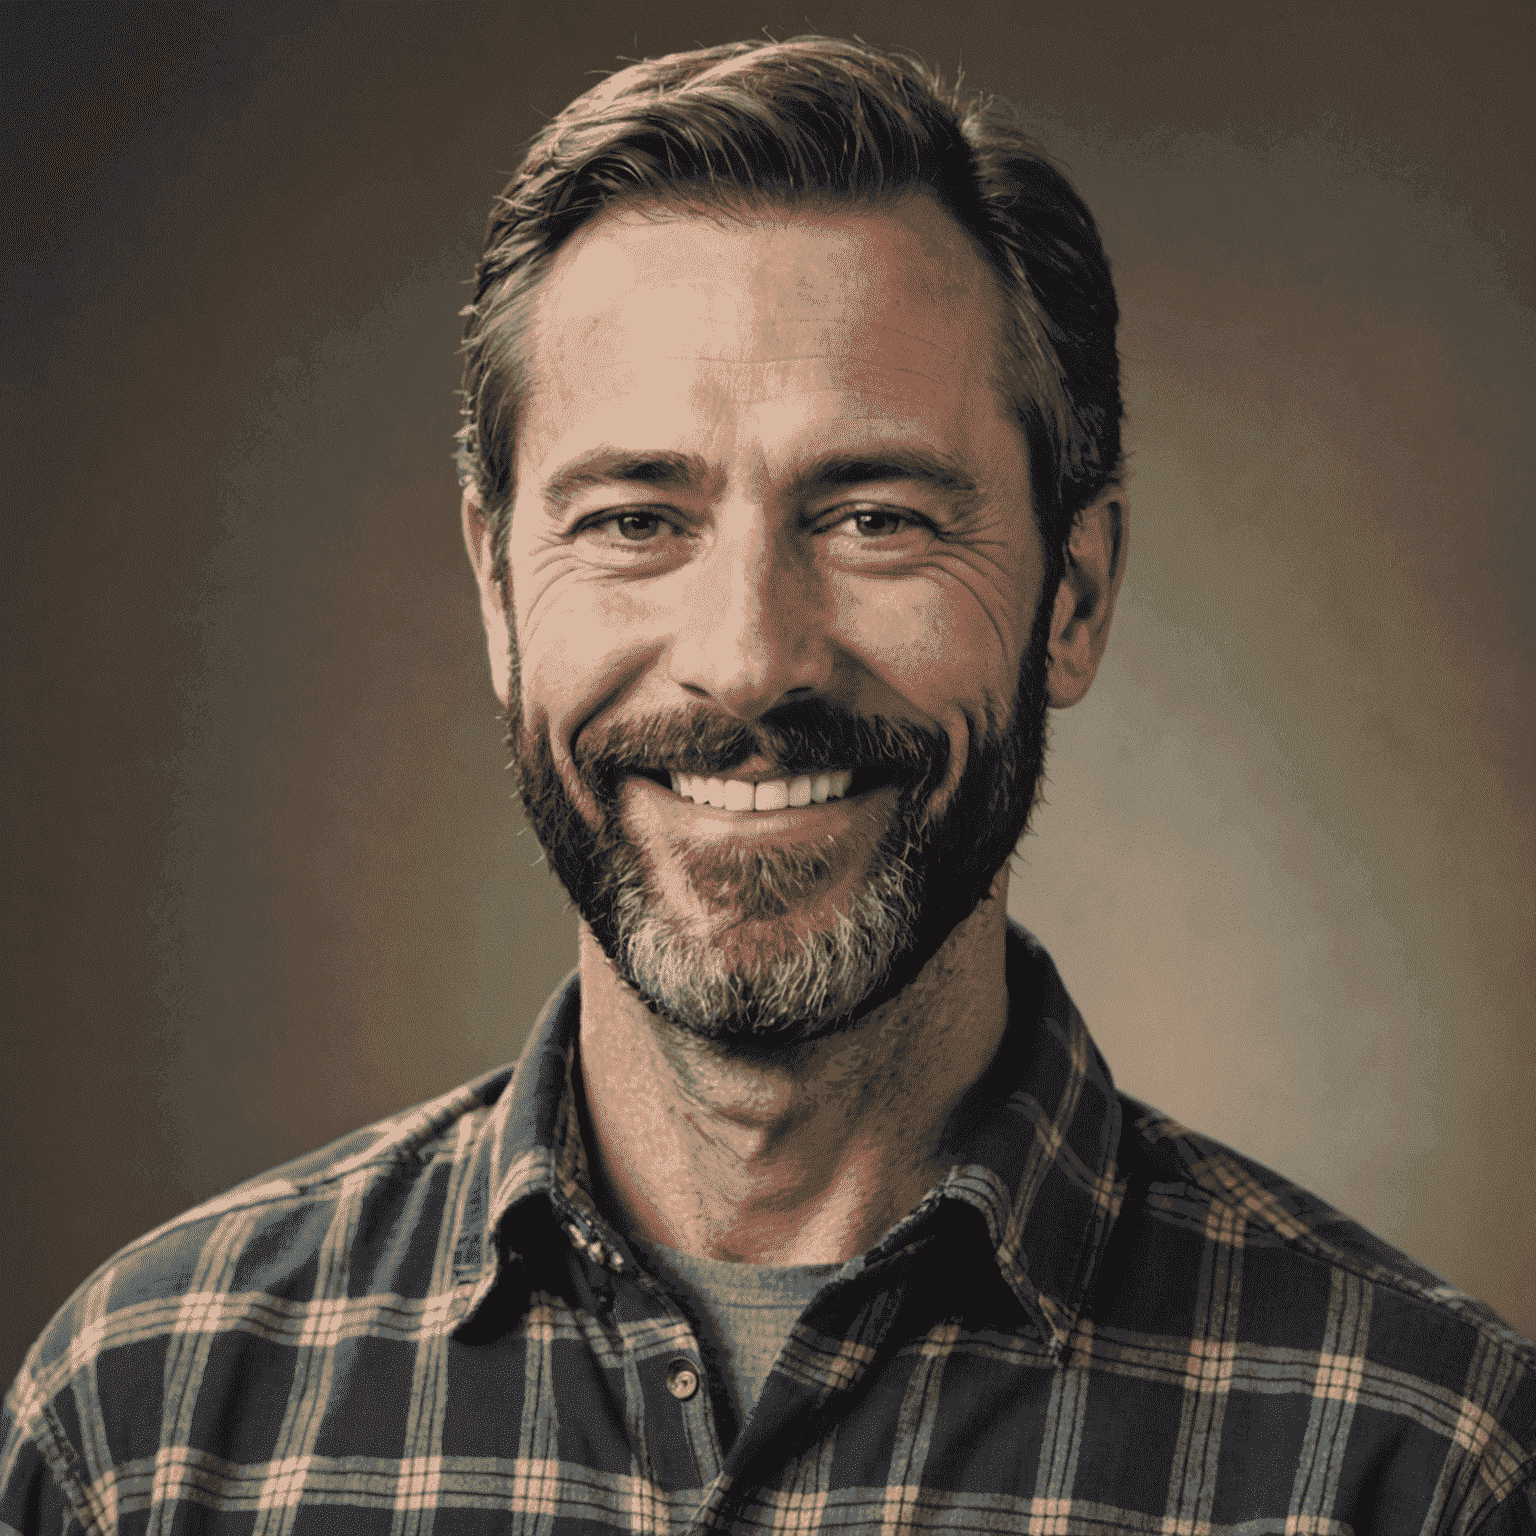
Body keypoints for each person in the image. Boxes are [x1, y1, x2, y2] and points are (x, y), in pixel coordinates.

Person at [4, 34, 1532, 1534]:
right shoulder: (144, 1430)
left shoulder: (1420, 1465)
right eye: (632, 520)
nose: (747, 665)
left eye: (873, 517)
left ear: (1073, 593)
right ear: (496, 589)